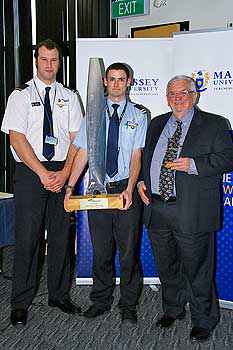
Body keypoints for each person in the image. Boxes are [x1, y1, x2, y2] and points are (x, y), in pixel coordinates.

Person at [138, 75, 233, 342]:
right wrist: (143, 181)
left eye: (184, 92)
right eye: (172, 93)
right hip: (157, 208)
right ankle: (173, 308)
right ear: (166, 97)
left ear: (195, 95)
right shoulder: (156, 123)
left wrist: (193, 164)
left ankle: (205, 319)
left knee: (197, 269)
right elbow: (148, 157)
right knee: (166, 266)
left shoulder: (214, 123)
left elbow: (228, 158)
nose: (178, 97)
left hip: (191, 210)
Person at [1, 39, 83, 326]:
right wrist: (41, 173)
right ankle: (20, 302)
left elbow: (77, 139)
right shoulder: (20, 95)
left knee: (61, 236)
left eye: (54, 60)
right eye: (44, 59)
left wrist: (64, 173)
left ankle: (59, 295)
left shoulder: (70, 97)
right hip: (29, 173)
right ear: (36, 61)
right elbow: (16, 138)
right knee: (27, 239)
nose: (49, 65)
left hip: (61, 170)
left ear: (60, 62)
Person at [65, 62, 148, 325]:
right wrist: (69, 186)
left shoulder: (139, 115)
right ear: (104, 81)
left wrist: (130, 188)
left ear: (129, 82)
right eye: (111, 79)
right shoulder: (93, 115)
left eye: (121, 79)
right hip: (97, 190)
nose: (116, 84)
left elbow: (136, 155)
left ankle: (128, 305)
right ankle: (100, 301)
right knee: (101, 251)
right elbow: (83, 154)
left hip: (124, 190)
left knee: (127, 253)